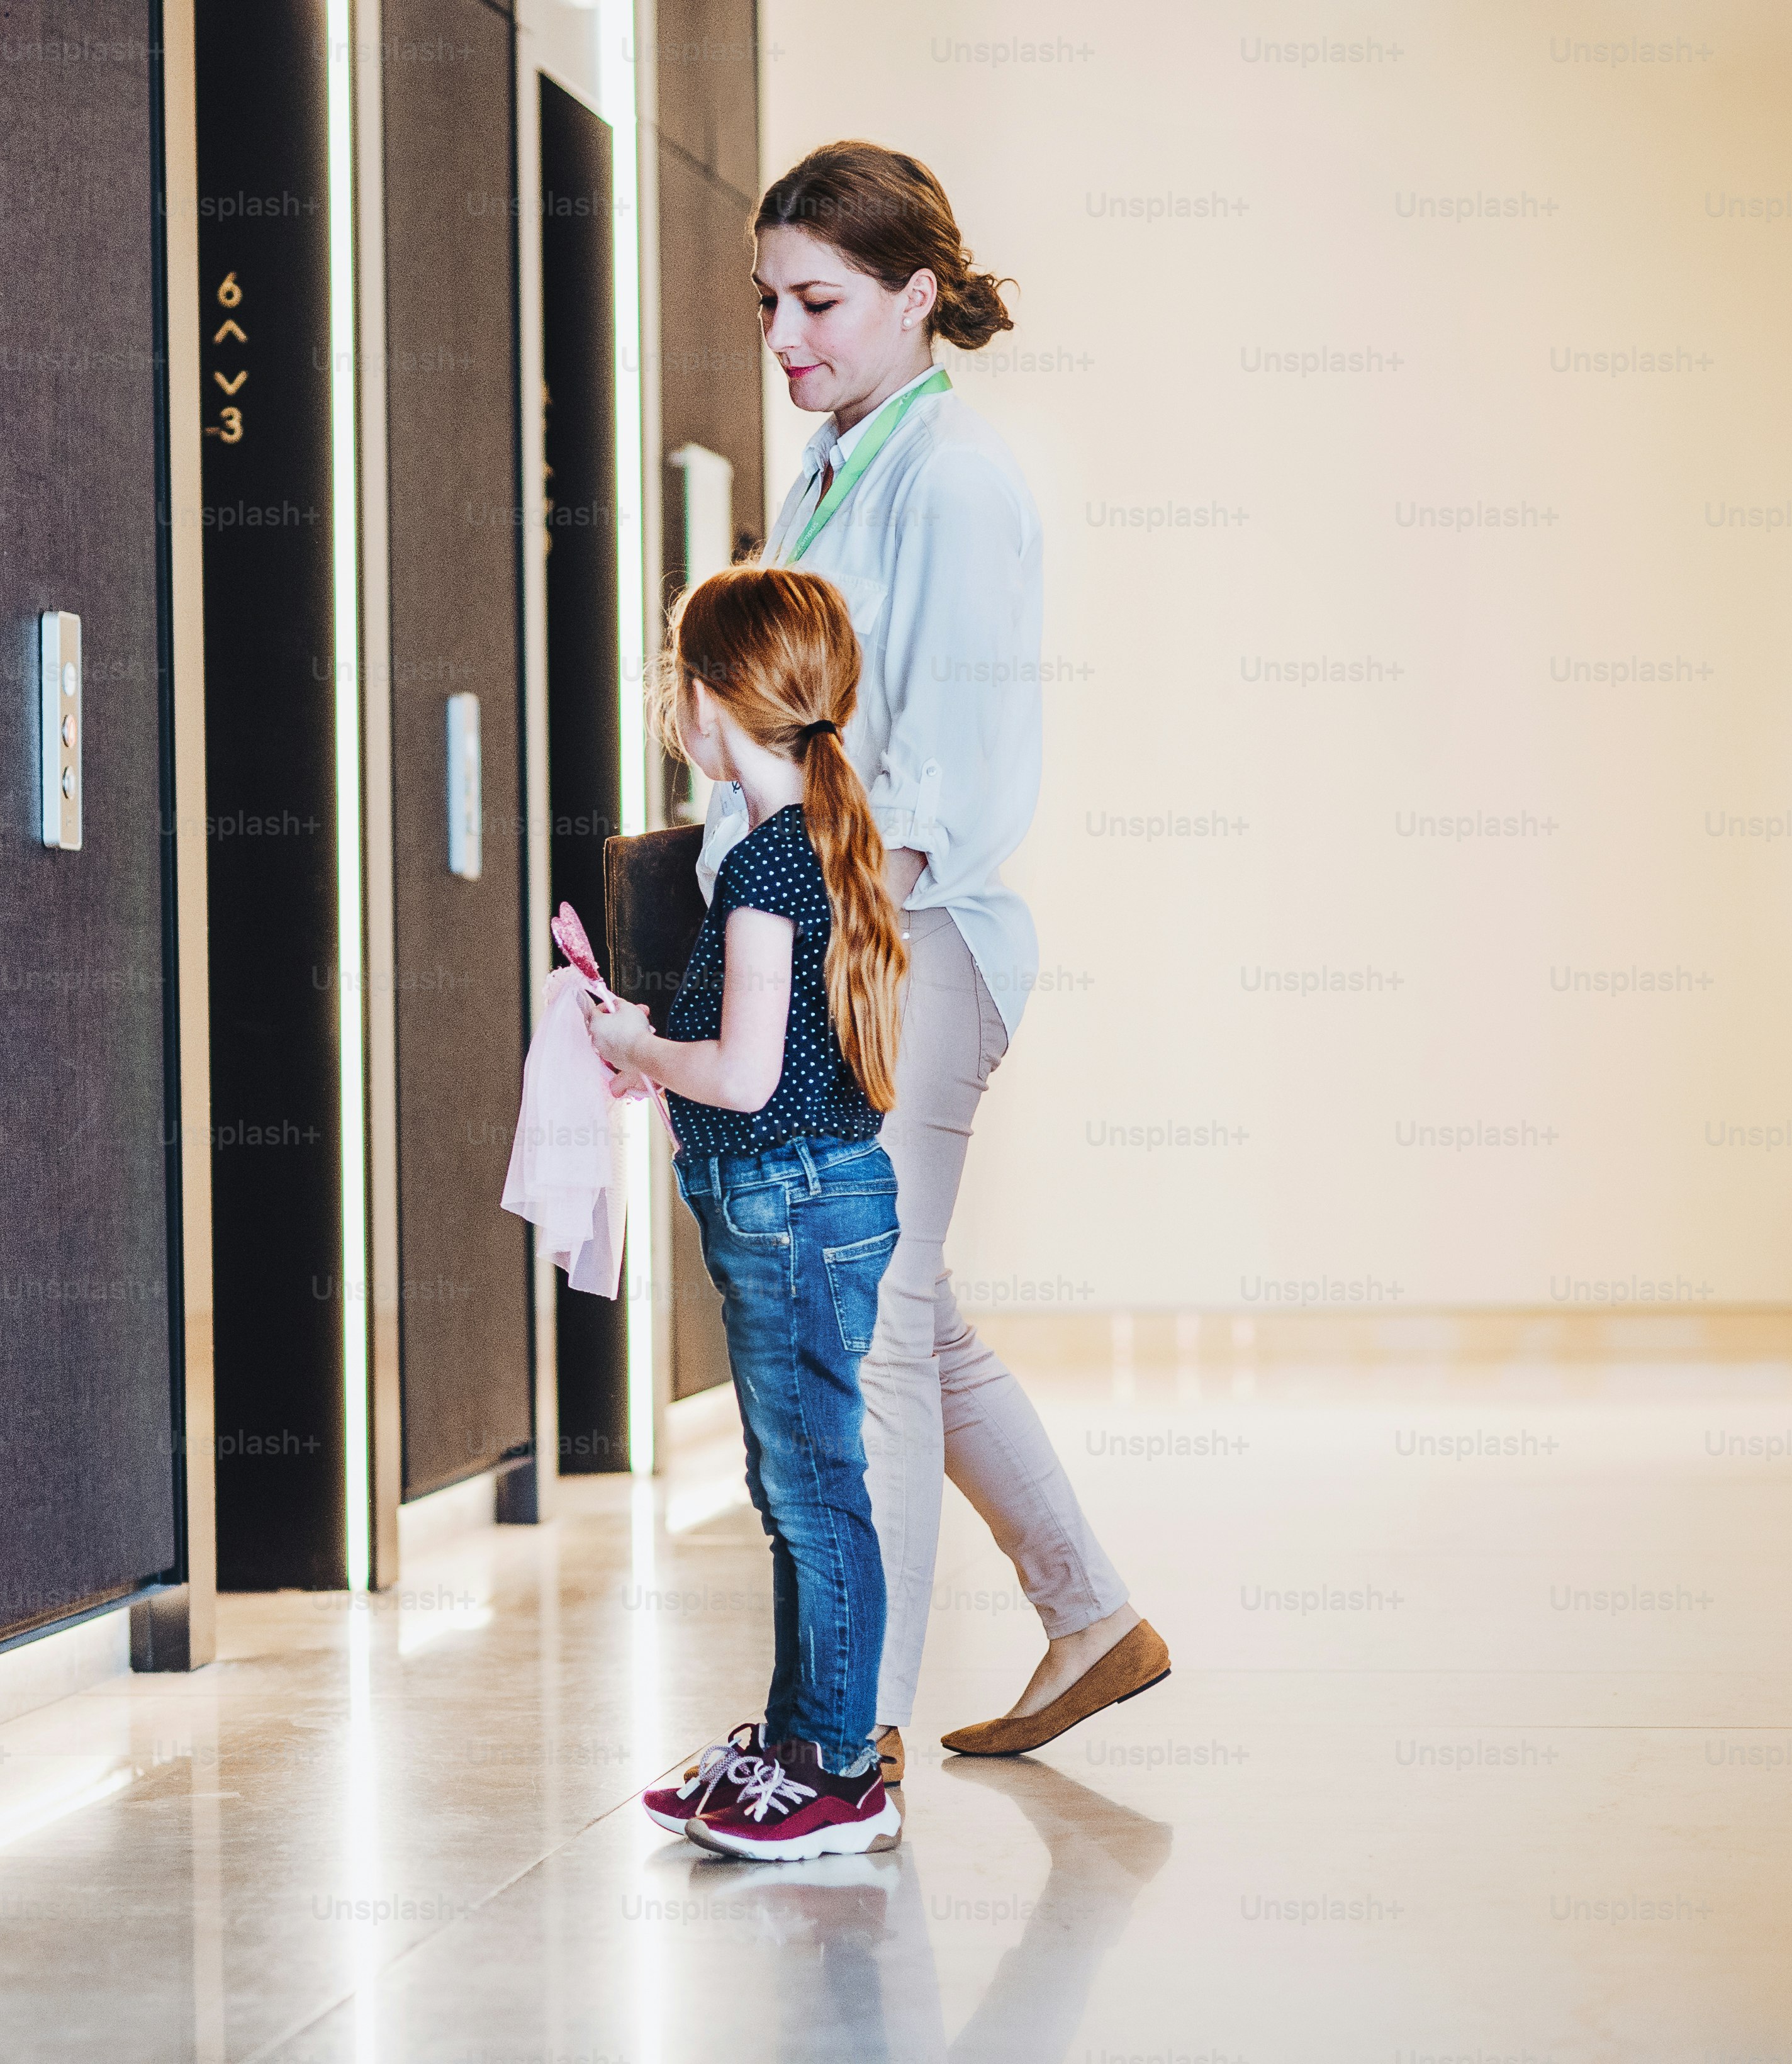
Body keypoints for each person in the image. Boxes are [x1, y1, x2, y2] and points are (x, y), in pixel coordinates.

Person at [695, 139, 1167, 1762]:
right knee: (911, 1302)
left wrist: (803, 936)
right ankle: (1089, 1612)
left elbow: (949, 771)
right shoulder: (835, 464)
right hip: (844, 932)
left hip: (900, 942)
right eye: (768, 301)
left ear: (915, 296)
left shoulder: (951, 479)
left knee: (868, 1317)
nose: (784, 336)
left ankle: (851, 1736)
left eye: (817, 300)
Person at [588, 564, 907, 1861]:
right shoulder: (799, 839)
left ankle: (840, 1769)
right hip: (794, 1203)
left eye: (678, 680)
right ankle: (797, 1737)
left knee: (812, 1488)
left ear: (711, 702)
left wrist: (635, 1037)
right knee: (796, 1483)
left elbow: (744, 1073)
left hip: (790, 1206)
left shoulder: (770, 861)